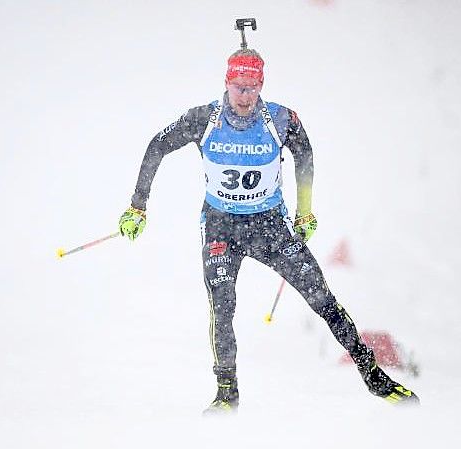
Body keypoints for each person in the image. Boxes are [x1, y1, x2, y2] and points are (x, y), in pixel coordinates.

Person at [118, 48, 419, 412]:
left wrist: (304, 212)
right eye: (238, 87)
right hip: (221, 229)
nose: (244, 97)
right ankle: (226, 393)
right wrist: (138, 205)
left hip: (269, 228)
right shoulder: (204, 119)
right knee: (222, 306)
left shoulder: (281, 119)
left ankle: (375, 376)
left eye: (252, 88)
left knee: (322, 299)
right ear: (226, 83)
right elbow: (157, 146)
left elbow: (304, 154)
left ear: (261, 85)